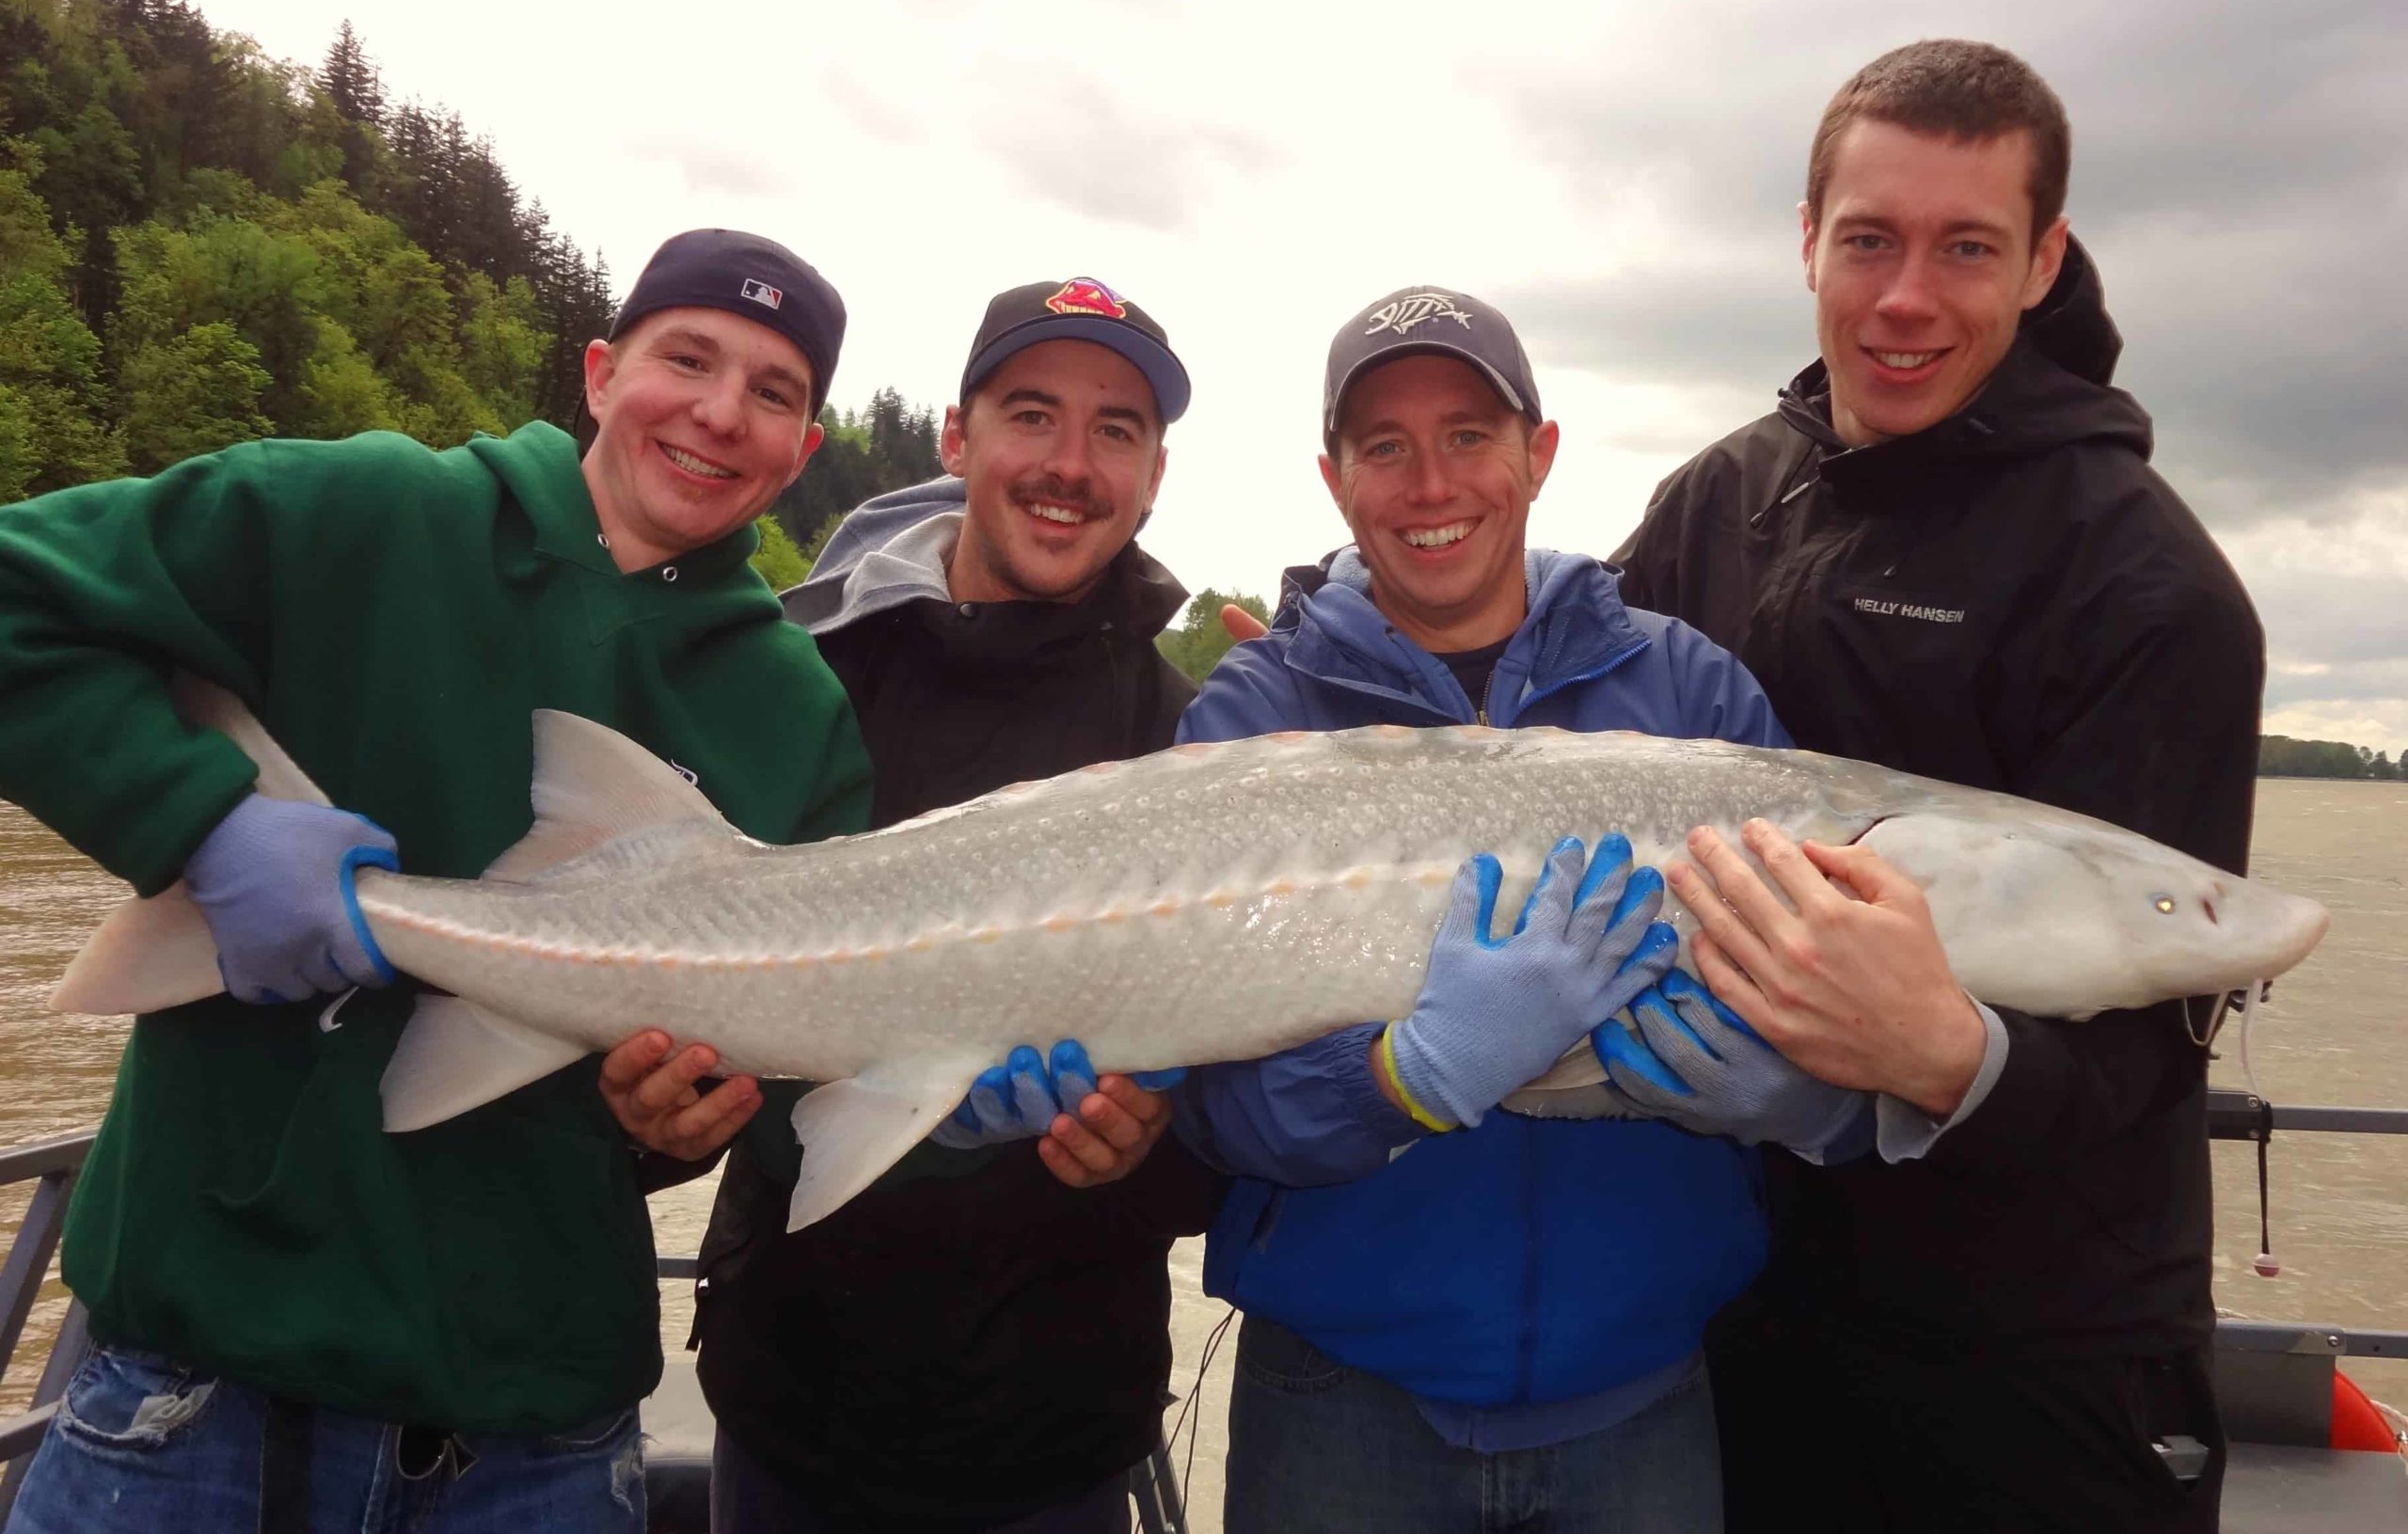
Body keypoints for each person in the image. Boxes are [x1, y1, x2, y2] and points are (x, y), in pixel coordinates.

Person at [0, 228, 871, 1532]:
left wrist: (670, 1125)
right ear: (597, 371)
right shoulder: (361, 510)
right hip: (192, 1403)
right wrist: (196, 821)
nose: (718, 413)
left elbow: (740, 1081)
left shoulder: (797, 714)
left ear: (803, 451)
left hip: (538, 1439)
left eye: (773, 393)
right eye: (687, 359)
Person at [1608, 38, 2265, 1533]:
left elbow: (2152, 1039)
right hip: (1736, 1309)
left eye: (1967, 248)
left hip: (2030, 1363)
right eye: (1870, 241)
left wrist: (1955, 1054)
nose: (1905, 299)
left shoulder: (2148, 587)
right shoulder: (1719, 500)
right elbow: (1553, 743)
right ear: (1806, 241)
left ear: (2043, 262)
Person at [1170, 288, 1801, 1534]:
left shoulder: (1693, 692)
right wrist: (1396, 1081)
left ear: (1539, 454)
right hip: (1339, 1404)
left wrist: (1784, 1080)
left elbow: (1809, 973)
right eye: (1384, 447)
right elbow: (1207, 1091)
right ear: (1335, 479)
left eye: (1468, 434)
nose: (1429, 482)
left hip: (1645, 1402)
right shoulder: (1252, 715)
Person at [658, 277, 1229, 1533]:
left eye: (1117, 431)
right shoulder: (796, 685)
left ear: (1154, 474)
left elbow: (1219, 1152)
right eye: (1033, 414)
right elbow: (658, 1091)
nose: (1071, 465)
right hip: (788, 1417)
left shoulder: (1190, 744)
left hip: (1059, 1444)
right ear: (957, 439)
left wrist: (1138, 1150)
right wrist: (680, 1115)